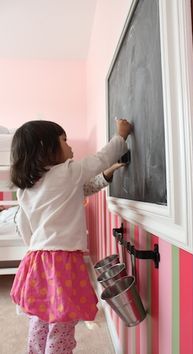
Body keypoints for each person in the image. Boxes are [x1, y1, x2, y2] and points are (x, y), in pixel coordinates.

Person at [9, 119, 132, 354]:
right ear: (46, 147)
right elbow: (100, 159)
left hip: (35, 260)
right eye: (64, 140)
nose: (70, 146)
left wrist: (106, 176)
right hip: (62, 261)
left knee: (40, 317)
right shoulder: (68, 171)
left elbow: (23, 226)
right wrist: (121, 136)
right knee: (62, 322)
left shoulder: (26, 189)